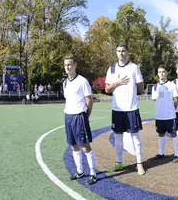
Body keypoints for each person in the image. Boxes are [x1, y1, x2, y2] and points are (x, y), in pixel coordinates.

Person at [104, 43, 146, 175]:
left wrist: (131, 93)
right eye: (118, 51)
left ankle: (139, 164)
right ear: (116, 53)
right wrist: (116, 83)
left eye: (123, 51)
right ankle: (118, 163)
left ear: (127, 53)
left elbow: (140, 88)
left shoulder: (134, 68)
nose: (121, 53)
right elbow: (107, 89)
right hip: (117, 109)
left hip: (131, 108)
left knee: (135, 137)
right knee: (118, 137)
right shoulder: (111, 69)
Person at [62, 55, 97, 185]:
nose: (67, 67)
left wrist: (85, 116)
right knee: (73, 145)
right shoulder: (65, 83)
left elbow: (89, 100)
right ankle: (80, 171)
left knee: (84, 145)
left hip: (79, 116)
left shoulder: (82, 81)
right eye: (65, 65)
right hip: (68, 116)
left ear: (75, 65)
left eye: (70, 64)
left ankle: (93, 173)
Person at [152, 66, 178, 163]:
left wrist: (172, 110)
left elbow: (176, 100)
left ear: (166, 73)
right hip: (159, 116)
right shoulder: (155, 87)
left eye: (163, 72)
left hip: (170, 115)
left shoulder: (171, 85)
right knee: (161, 134)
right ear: (157, 74)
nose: (161, 73)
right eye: (159, 72)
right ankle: (161, 153)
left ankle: (176, 154)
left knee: (173, 134)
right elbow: (155, 101)